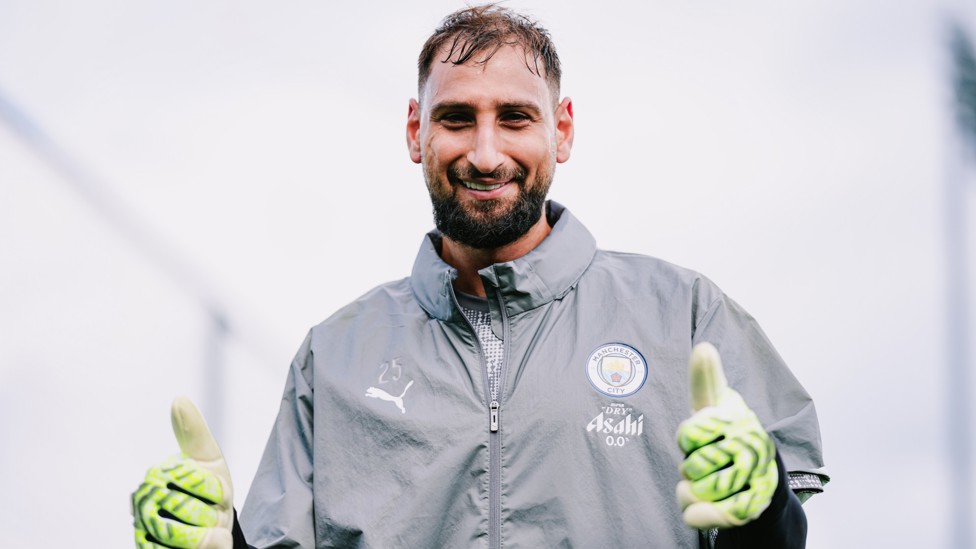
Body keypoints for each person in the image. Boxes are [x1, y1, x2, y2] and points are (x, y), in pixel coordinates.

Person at [131, 5, 827, 549]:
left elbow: (778, 537)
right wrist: (218, 541)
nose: (486, 153)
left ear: (563, 130)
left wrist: (762, 503)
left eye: (516, 118)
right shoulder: (332, 356)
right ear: (416, 132)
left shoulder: (685, 314)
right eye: (457, 118)